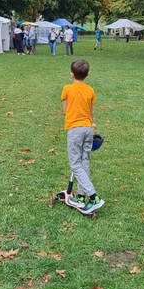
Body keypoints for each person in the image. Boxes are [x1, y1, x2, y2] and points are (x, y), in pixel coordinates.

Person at [61, 59, 104, 214]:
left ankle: (93, 197)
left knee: (75, 164)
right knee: (84, 162)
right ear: (88, 74)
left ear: (72, 75)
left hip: (75, 130)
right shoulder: (90, 90)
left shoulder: (67, 89)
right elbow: (90, 112)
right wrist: (89, 124)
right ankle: (80, 196)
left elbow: (65, 111)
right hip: (88, 129)